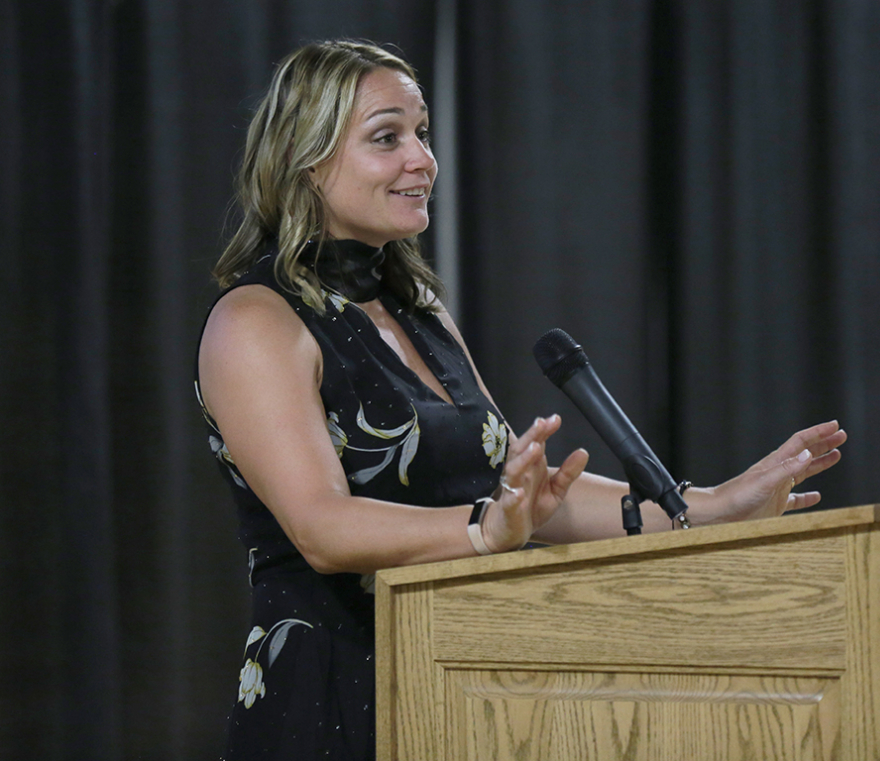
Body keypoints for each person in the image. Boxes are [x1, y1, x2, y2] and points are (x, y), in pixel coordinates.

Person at [195, 39, 846, 761]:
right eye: (387, 138)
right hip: (331, 699)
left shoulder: (419, 312)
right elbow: (321, 528)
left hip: (462, 686)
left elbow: (520, 497)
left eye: (421, 133)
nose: (422, 160)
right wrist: (482, 531)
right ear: (306, 161)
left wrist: (709, 506)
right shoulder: (256, 319)